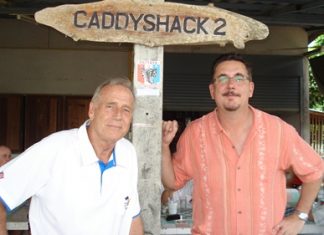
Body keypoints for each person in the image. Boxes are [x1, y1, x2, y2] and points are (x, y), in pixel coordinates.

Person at [162, 53, 324, 235]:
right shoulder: (194, 133)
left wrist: (299, 215)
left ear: (251, 89)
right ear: (212, 91)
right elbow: (172, 182)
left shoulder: (279, 130)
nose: (231, 85)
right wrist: (163, 147)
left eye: (239, 78)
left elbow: (315, 170)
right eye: (222, 78)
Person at [0, 78, 144, 235]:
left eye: (126, 110)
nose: (118, 116)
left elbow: (132, 219)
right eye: (110, 106)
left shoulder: (128, 152)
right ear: (92, 110)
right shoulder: (54, 148)